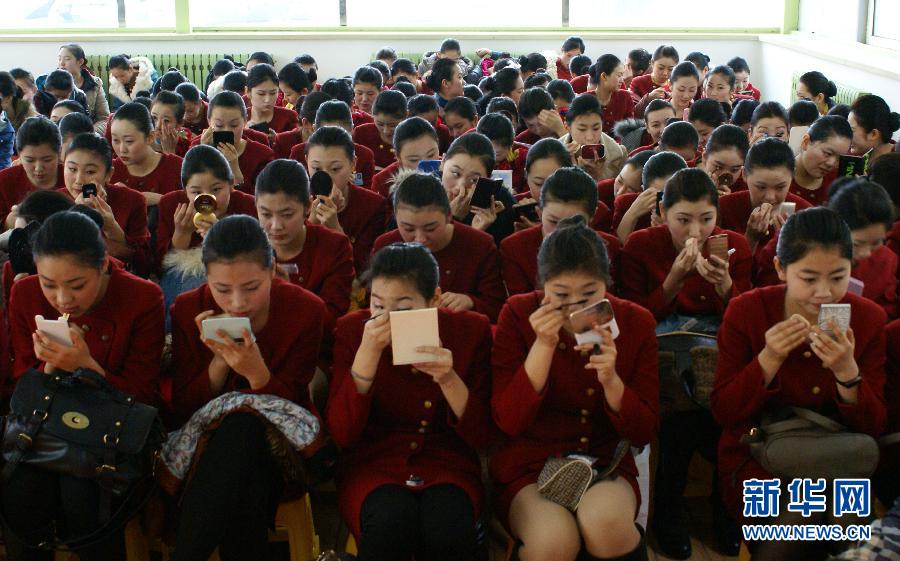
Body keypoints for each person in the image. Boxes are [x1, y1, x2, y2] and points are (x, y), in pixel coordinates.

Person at [711, 207, 886, 561]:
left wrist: (846, 373)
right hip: (760, 457)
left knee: (847, 514)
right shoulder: (748, 310)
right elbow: (724, 413)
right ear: (779, 269)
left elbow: (875, 426)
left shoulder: (867, 318)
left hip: (839, 455)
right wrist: (769, 358)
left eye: (838, 277)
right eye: (808, 278)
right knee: (803, 516)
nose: (824, 293)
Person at [491, 215, 657, 561]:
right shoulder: (519, 313)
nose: (577, 308)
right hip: (530, 462)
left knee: (606, 524)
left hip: (604, 460)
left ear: (607, 285)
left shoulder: (634, 321)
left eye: (590, 294)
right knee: (553, 542)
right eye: (561, 295)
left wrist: (611, 379)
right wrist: (543, 345)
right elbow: (508, 421)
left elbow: (644, 430)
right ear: (543, 286)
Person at [3, 211, 163, 561]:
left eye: (77, 285)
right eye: (49, 283)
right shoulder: (26, 294)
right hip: (42, 427)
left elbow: (142, 396)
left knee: (85, 496)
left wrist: (87, 366)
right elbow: (21, 384)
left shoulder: (141, 298)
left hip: (111, 434)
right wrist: (49, 364)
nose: (62, 299)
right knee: (19, 495)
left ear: (104, 264)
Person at [169, 215, 326, 560]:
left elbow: (294, 408)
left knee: (244, 424)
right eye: (222, 289)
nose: (237, 303)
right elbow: (182, 409)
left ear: (272, 272)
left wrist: (257, 374)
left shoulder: (305, 311)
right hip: (207, 450)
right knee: (246, 485)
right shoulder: (187, 309)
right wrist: (219, 363)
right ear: (206, 277)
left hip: (283, 449)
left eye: (252, 288)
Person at [326, 241, 492, 561]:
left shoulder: (470, 331)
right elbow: (342, 434)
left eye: (403, 309)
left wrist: (448, 378)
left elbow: (484, 436)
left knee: (449, 531)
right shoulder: (351, 331)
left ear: (434, 299)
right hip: (373, 463)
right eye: (377, 306)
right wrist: (367, 355)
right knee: (389, 524)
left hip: (447, 462)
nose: (387, 319)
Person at [620, 167, 751, 330]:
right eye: (683, 220)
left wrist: (725, 285)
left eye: (706, 219)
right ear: (663, 211)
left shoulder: (735, 245)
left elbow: (746, 322)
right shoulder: (640, 245)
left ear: (717, 213)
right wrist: (672, 282)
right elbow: (632, 322)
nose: (695, 232)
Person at [373, 171, 505, 322]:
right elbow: (372, 304)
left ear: (449, 216)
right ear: (396, 218)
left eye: (430, 228)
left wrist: (471, 301)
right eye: (408, 229)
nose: (420, 239)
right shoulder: (385, 246)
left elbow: (498, 308)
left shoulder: (480, 245)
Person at [755, 178, 897, 319]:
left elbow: (885, 312)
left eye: (876, 243)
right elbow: (765, 293)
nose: (866, 253)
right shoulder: (793, 245)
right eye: (857, 244)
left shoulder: (887, 261)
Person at [255, 158, 354, 327]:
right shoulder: (246, 247)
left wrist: (289, 293)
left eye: (287, 215)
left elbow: (331, 321)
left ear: (308, 206)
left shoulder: (334, 247)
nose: (276, 226)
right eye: (266, 214)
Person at [501, 166, 621, 296]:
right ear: (539, 212)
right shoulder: (515, 248)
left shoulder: (609, 247)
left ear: (592, 217)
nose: (562, 231)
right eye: (553, 221)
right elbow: (521, 308)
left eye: (575, 222)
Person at [59, 132, 150, 269]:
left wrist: (111, 226)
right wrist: (76, 213)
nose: (78, 180)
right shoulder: (54, 201)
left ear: (109, 174)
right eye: (72, 169)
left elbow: (144, 265)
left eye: (90, 172)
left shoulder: (133, 201)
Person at [306, 126, 388, 274]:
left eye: (335, 169)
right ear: (306, 162)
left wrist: (335, 227)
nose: (327, 178)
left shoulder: (373, 206)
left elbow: (364, 269)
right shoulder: (297, 202)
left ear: (353, 164)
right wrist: (313, 222)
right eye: (316, 169)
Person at [719, 138, 812, 260]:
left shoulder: (805, 214)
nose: (770, 197)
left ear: (793, 175)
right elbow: (720, 271)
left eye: (780, 187)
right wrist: (750, 239)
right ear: (744, 175)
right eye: (761, 187)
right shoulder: (722, 209)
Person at [440, 132, 516, 245]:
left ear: (488, 178)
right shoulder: (423, 194)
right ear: (442, 162)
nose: (460, 187)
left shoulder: (500, 206)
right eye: (455, 173)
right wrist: (453, 217)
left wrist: (477, 234)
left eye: (474, 180)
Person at [197, 91, 274, 195]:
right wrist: (204, 153)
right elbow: (193, 190)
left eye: (234, 125)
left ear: (245, 121)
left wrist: (235, 171)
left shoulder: (262, 155)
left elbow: (262, 201)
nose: (227, 130)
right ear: (209, 121)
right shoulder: (197, 147)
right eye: (219, 125)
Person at [109, 102, 183, 207]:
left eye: (129, 141)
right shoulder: (109, 171)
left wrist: (161, 199)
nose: (122, 149)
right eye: (116, 140)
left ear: (150, 137)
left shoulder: (177, 167)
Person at [0, 117, 65, 228]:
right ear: (19, 155)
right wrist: (8, 222)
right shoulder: (4, 181)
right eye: (30, 160)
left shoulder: (72, 178)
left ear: (59, 153)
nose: (38, 168)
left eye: (47, 160)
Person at [613, 151, 688, 243]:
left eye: (671, 195)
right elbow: (616, 251)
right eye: (660, 196)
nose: (664, 203)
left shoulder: (695, 208)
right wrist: (632, 215)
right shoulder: (626, 203)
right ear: (643, 191)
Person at [560, 93, 628, 182]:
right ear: (567, 128)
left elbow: (619, 194)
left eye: (596, 128)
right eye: (582, 129)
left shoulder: (618, 155)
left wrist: (598, 177)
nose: (590, 137)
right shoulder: (554, 154)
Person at [791, 115, 852, 206]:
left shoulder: (838, 182)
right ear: (806, 142)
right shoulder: (777, 179)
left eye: (840, 158)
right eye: (827, 153)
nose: (831, 163)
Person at [54, 44, 110, 134]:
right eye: (59, 59)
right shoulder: (51, 84)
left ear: (80, 62)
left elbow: (104, 118)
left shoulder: (95, 84)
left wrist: (89, 133)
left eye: (67, 59)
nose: (61, 63)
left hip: (88, 135)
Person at [353, 90, 408, 170]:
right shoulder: (361, 133)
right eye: (380, 124)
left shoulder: (413, 137)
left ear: (406, 115)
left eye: (393, 125)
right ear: (372, 114)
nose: (386, 131)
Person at [477, 113, 528, 194]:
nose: (498, 149)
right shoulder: (473, 160)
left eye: (504, 144)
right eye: (492, 144)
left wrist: (517, 195)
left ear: (511, 142)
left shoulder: (522, 157)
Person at [246, 63, 299, 135]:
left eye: (273, 93)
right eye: (261, 94)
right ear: (248, 92)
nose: (268, 100)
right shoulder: (239, 119)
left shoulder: (289, 117)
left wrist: (277, 140)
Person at [589, 54, 636, 135]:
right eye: (619, 75)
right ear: (604, 76)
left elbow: (630, 130)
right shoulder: (585, 100)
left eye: (622, 75)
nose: (622, 80)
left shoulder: (624, 97)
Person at [848, 94, 900, 166]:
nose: (846, 134)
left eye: (851, 130)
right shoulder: (849, 155)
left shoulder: (896, 166)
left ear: (873, 134)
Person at [700, 124, 750, 195]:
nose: (725, 175)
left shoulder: (748, 188)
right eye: (718, 167)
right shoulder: (685, 179)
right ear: (705, 158)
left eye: (734, 170)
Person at [631, 45, 678, 117]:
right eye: (661, 68)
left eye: (670, 69)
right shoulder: (638, 82)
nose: (665, 73)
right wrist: (648, 98)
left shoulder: (676, 85)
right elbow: (634, 114)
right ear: (652, 63)